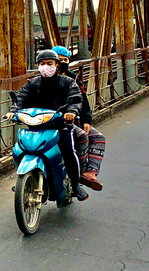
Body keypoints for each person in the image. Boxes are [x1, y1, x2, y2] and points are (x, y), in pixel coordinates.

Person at [6, 49, 88, 201]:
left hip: (61, 125)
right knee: (20, 149)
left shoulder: (68, 83)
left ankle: (76, 183)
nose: (46, 66)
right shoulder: (32, 83)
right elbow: (21, 98)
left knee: (68, 151)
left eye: (49, 63)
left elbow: (75, 98)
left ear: (57, 65)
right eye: (42, 64)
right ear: (38, 66)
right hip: (37, 126)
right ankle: (24, 180)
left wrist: (71, 111)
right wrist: (13, 111)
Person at [52, 45, 105, 191]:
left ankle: (90, 172)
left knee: (99, 138)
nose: (62, 62)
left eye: (65, 60)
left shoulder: (73, 78)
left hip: (74, 120)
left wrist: (87, 119)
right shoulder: (45, 79)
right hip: (54, 120)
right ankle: (79, 173)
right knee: (81, 136)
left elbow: (82, 99)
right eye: (58, 59)